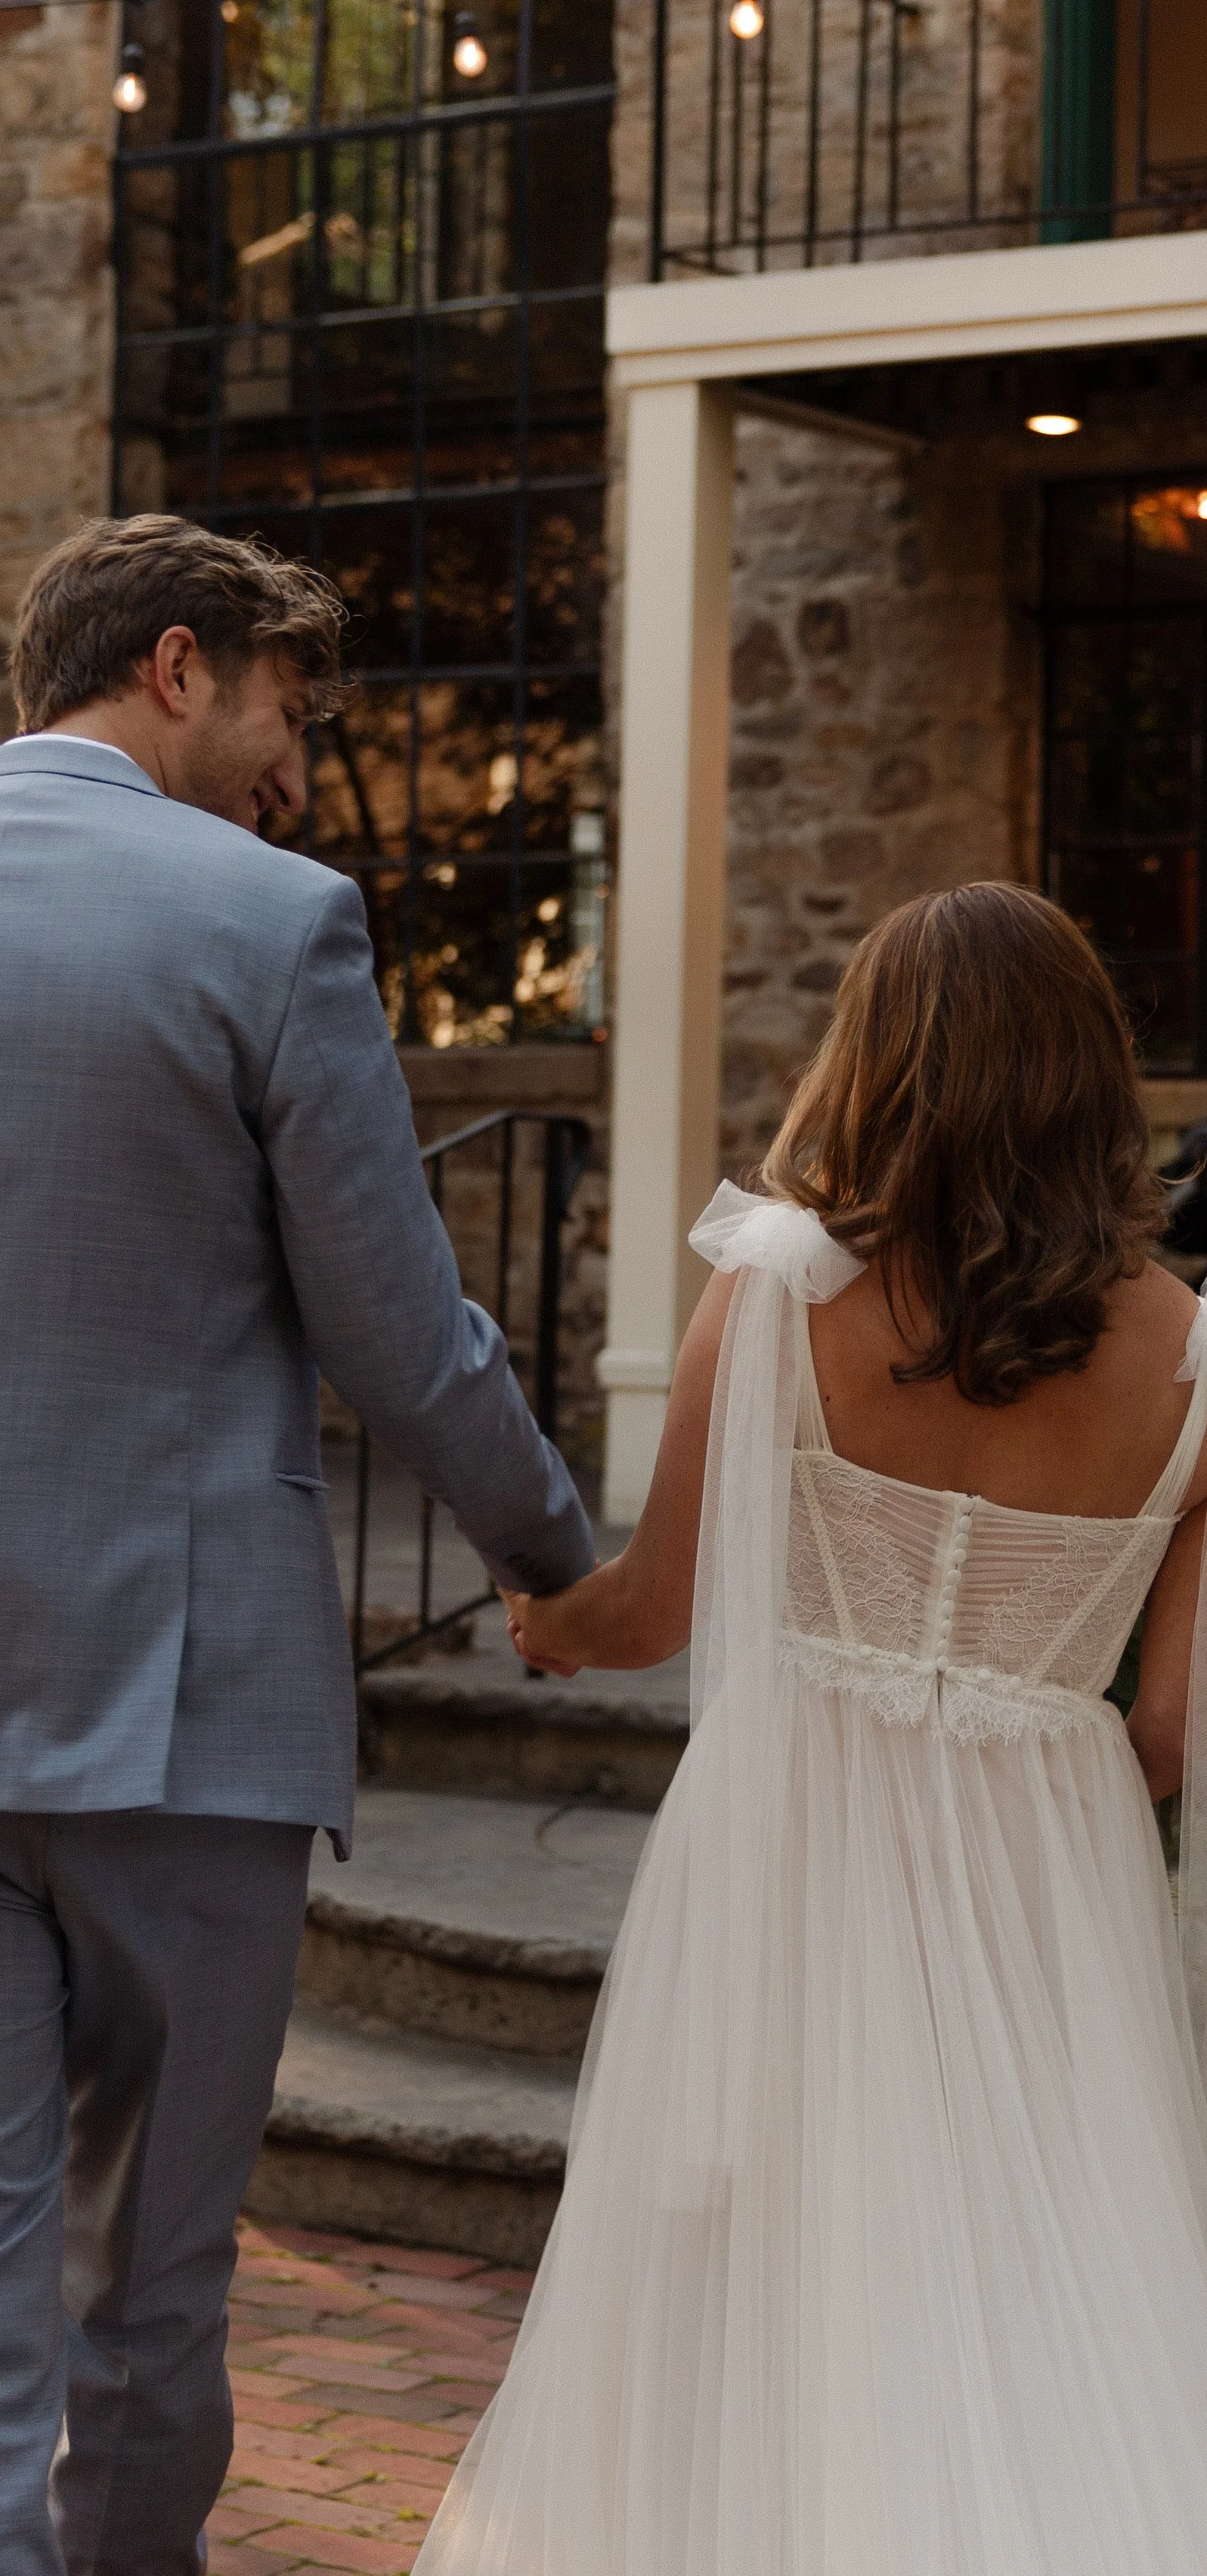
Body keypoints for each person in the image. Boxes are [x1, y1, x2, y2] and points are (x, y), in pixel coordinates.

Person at [417, 883, 1207, 2575]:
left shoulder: (779, 1295)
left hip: (793, 1834)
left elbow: (649, 1613)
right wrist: (1023, 1758)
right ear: (1091, 1077)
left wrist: (544, 1619)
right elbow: (1169, 1726)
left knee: (760, 2253)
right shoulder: (1206, 1360)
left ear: (879, 1061)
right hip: (1039, 1865)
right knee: (1028, 2259)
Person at [0, 515, 594, 2576]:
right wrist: (546, 1548)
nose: (298, 767)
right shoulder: (271, 922)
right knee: (147, 2290)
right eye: (287, 709)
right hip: (179, 1720)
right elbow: (395, 1330)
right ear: (179, 666)